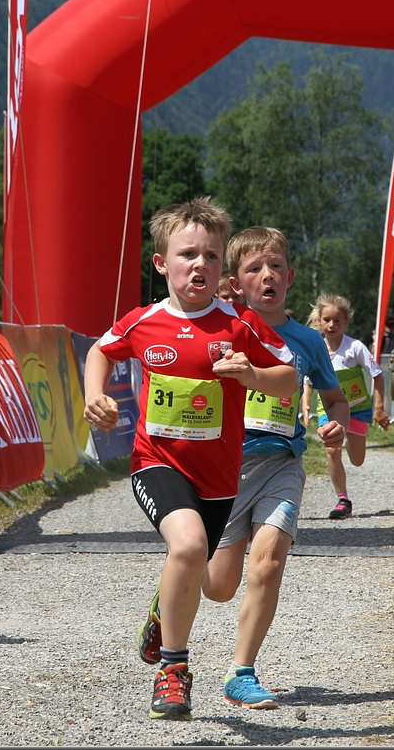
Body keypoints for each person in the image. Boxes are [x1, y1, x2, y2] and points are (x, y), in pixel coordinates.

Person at [83, 198, 296, 721]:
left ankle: (165, 605)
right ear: (162, 263)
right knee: (189, 545)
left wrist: (252, 375)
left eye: (211, 256)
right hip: (156, 461)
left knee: (215, 586)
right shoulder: (144, 321)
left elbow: (288, 378)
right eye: (187, 254)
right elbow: (100, 351)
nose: (200, 265)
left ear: (222, 267)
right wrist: (95, 395)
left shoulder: (239, 323)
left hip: (220, 478)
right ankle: (173, 670)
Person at [195, 225, 351, 709]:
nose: (267, 276)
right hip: (225, 467)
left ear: (291, 276)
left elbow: (336, 399)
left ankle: (241, 672)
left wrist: (337, 424)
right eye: (254, 268)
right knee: (218, 587)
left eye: (276, 267)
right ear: (235, 282)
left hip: (282, 464)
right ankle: (173, 588)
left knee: (268, 562)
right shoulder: (220, 329)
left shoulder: (307, 341)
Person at [300, 293, 391, 517]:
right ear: (319, 321)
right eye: (327, 320)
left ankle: (351, 441)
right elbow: (308, 381)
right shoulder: (317, 349)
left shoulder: (355, 347)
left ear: (346, 322)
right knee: (332, 450)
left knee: (357, 461)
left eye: (337, 320)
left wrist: (379, 408)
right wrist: (305, 404)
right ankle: (343, 500)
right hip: (328, 409)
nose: (332, 325)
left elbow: (377, 375)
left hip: (357, 410)